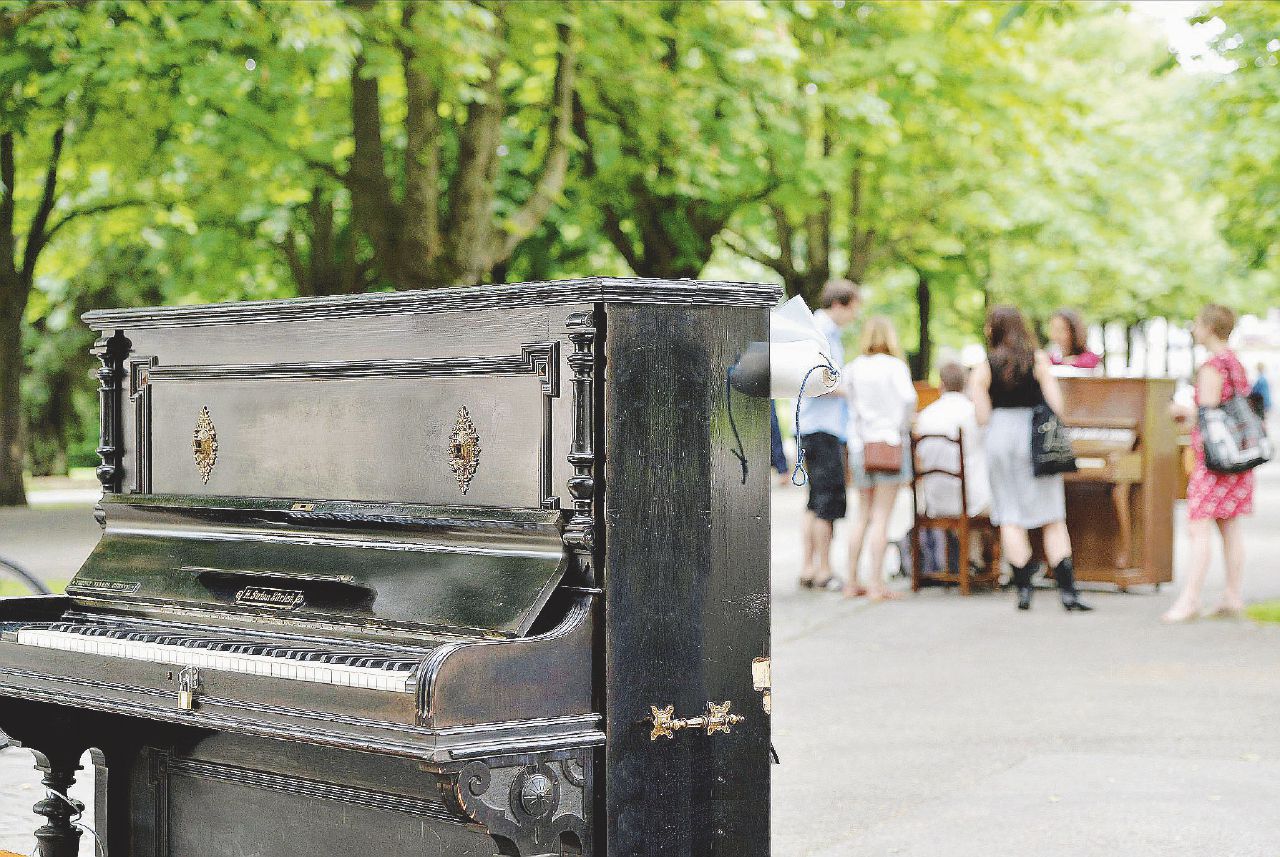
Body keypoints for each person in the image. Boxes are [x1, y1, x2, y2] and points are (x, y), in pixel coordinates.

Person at [967, 306, 1092, 612]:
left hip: (999, 436)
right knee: (1051, 516)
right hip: (1034, 437)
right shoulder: (1038, 360)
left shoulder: (985, 366)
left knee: (1009, 513)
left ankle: (1024, 591)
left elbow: (981, 416)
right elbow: (1057, 406)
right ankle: (1068, 593)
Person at [1162, 305, 1254, 622]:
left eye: (1198, 324)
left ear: (1210, 328)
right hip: (1237, 458)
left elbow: (1208, 413)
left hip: (1214, 461)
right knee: (1229, 524)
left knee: (1198, 525)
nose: (1194, 330)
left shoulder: (1213, 366)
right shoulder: (1236, 363)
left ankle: (1190, 599)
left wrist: (1181, 411)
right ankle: (1232, 595)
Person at [843, 316, 916, 600]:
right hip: (889, 444)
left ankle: (851, 581)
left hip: (861, 446)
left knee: (862, 514)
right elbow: (908, 399)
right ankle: (876, 584)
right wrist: (900, 425)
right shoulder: (895, 367)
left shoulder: (854, 368)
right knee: (882, 516)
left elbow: (851, 405)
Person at [797, 280, 861, 590]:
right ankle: (823, 569)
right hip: (824, 427)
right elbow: (819, 382)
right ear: (839, 304)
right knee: (827, 501)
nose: (855, 315)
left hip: (812, 426)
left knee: (813, 500)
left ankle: (809, 566)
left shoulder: (817, 330)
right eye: (853, 307)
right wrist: (850, 391)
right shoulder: (823, 334)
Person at [915, 361, 991, 573]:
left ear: (941, 384)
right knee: (995, 499)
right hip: (969, 500)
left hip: (935, 501)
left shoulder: (925, 416)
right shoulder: (972, 414)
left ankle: (971, 561)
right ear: (965, 383)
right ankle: (996, 568)